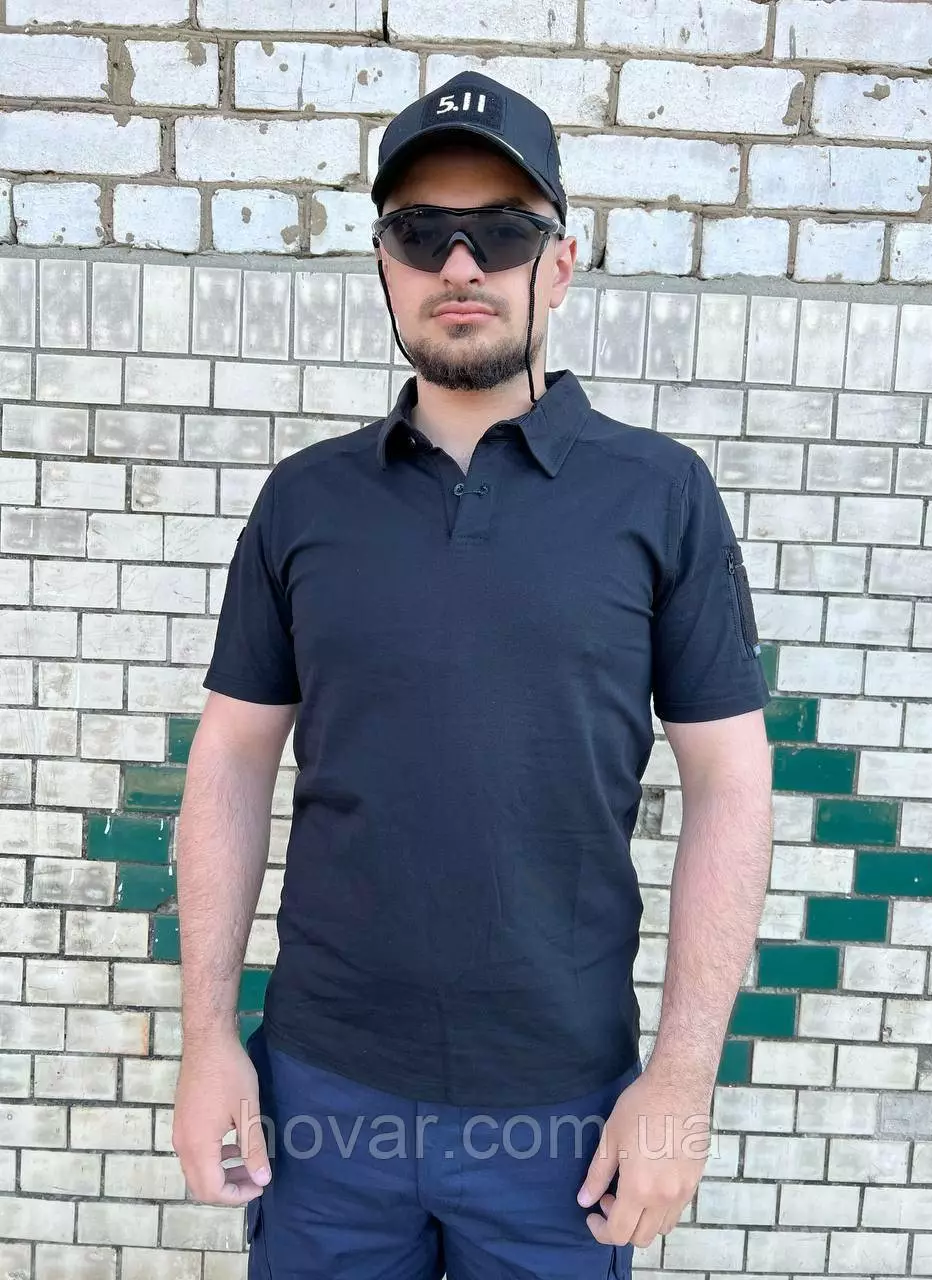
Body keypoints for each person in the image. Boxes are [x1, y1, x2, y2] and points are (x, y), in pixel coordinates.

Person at [172, 71, 774, 1280]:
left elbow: (733, 783)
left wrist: (681, 1079)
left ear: (558, 265)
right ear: (383, 264)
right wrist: (206, 1039)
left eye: (500, 230)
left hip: (562, 1112)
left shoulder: (660, 495)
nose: (459, 263)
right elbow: (231, 759)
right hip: (324, 1097)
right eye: (420, 231)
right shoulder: (304, 500)